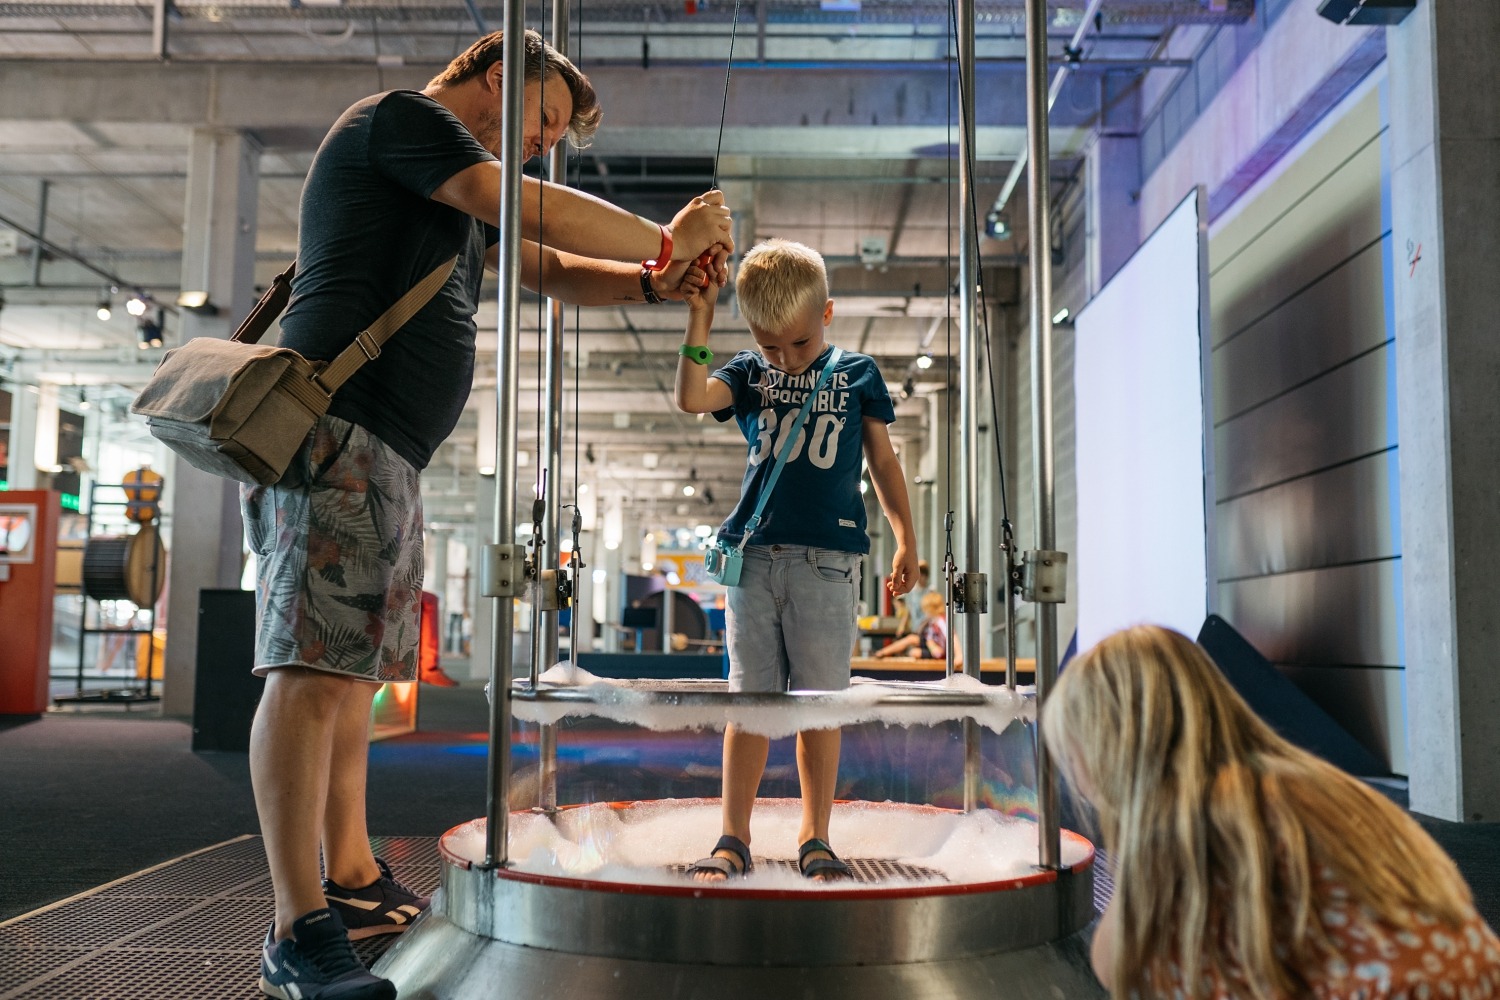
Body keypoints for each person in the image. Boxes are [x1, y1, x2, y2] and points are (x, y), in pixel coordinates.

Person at [245, 29, 733, 1000]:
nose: (541, 145)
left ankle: (347, 881)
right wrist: (665, 239)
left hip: (386, 448)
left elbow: (548, 268)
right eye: (544, 118)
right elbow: (527, 206)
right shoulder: (405, 122)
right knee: (307, 671)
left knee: (346, 680)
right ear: (501, 71)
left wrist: (650, 282)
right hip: (334, 425)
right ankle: (296, 928)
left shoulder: (461, 186)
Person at [1042, 624, 1500, 1000]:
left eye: (1074, 751)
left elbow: (1121, 965)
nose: (1074, 777)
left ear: (1108, 748)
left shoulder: (1198, 822)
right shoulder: (1305, 780)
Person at [673, 238, 920, 883]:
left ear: (827, 315)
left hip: (829, 563)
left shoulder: (857, 374)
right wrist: (701, 317)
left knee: (820, 705)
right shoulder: (751, 376)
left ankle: (816, 834)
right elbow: (693, 398)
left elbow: (884, 463)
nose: (783, 360)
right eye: (769, 345)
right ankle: (734, 835)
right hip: (753, 562)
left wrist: (906, 536)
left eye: (799, 345)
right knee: (749, 703)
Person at [872, 589, 959, 666]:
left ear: (931, 608)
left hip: (938, 651)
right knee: (911, 638)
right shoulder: (932, 620)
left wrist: (959, 655)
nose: (925, 612)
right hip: (931, 644)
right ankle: (883, 652)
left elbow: (952, 635)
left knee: (914, 652)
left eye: (926, 609)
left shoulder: (941, 620)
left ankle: (884, 653)